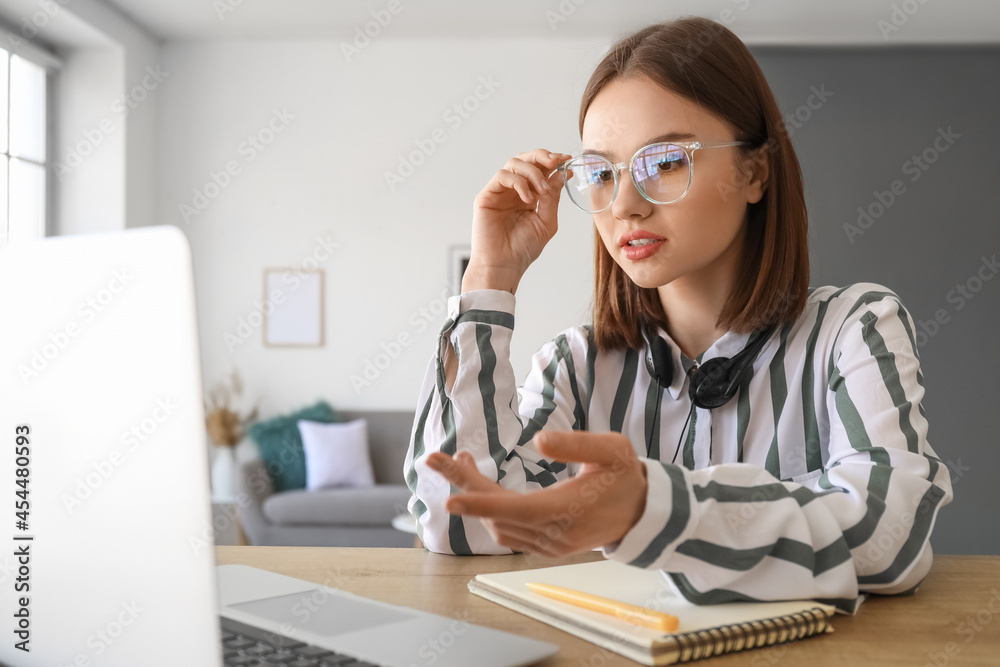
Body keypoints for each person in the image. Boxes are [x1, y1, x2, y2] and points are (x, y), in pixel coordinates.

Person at [402, 16, 952, 613]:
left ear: (754, 171)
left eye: (664, 162)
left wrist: (651, 507)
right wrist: (490, 278)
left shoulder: (852, 328)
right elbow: (458, 523)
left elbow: (889, 535)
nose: (626, 205)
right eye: (603, 173)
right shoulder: (576, 364)